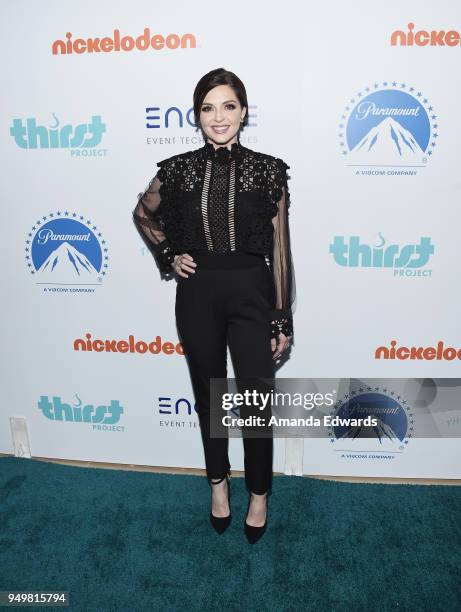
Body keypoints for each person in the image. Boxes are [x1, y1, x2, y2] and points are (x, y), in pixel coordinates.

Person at [132, 68, 296, 544]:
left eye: (228, 106)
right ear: (197, 115)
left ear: (244, 112)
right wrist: (168, 254)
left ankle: (260, 494)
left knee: (255, 403)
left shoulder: (268, 170)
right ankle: (219, 485)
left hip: (252, 293)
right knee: (210, 399)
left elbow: (280, 250)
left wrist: (281, 315)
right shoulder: (176, 169)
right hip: (197, 294)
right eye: (208, 107)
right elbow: (143, 213)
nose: (218, 117)